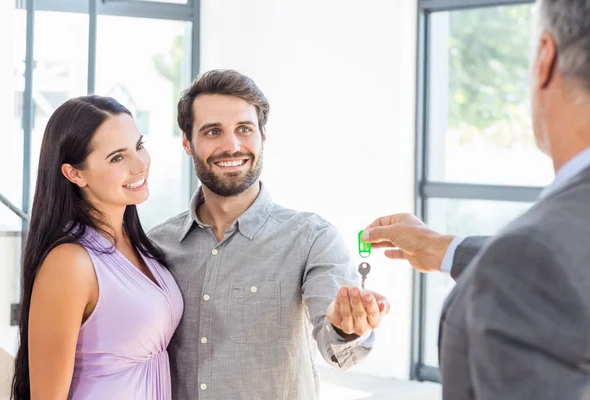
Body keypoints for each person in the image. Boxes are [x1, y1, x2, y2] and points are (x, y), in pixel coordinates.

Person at [361, 0, 590, 398]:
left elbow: (542, 264)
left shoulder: (532, 255)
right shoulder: (543, 250)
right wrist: (444, 249)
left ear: (545, 59)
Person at [148, 69, 389, 400]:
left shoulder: (312, 238)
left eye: (244, 129)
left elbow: (339, 351)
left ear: (263, 135)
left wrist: (346, 328)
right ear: (188, 143)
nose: (231, 146)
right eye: (213, 131)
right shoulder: (156, 245)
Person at [11, 96, 183, 399]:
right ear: (74, 173)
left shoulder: (140, 247)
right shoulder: (70, 262)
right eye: (117, 157)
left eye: (139, 145)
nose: (140, 164)